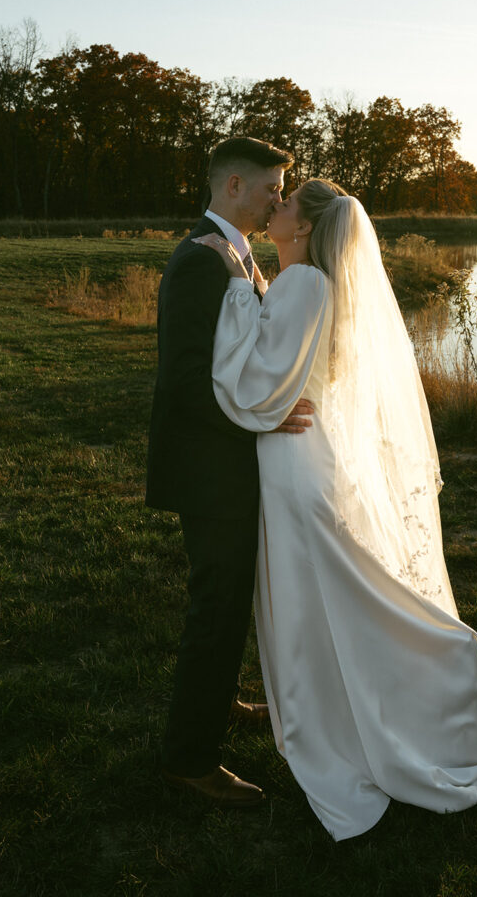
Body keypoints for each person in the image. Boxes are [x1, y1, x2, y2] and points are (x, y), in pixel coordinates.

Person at [194, 177, 477, 840]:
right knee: (331, 588)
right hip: (306, 450)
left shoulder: (300, 283)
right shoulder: (313, 281)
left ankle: (443, 667)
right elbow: (292, 364)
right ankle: (391, 687)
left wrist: (237, 283)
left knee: (330, 591)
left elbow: (257, 374)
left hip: (292, 463)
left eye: (286, 203)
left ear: (307, 226)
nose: (275, 206)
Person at [146, 137, 315, 807]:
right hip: (207, 469)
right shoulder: (200, 260)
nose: (279, 197)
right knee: (214, 608)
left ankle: (221, 700)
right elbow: (186, 384)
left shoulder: (236, 255)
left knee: (228, 598)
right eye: (274, 187)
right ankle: (189, 760)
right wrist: (264, 419)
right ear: (235, 185)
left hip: (230, 465)